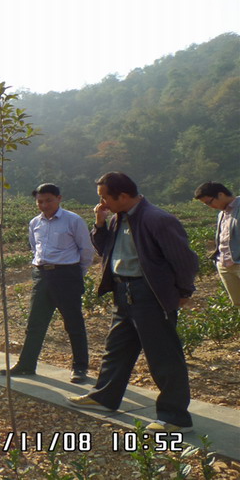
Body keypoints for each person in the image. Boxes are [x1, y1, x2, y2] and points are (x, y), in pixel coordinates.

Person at [67, 172, 198, 434]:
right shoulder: (118, 218)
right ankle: (104, 397)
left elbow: (185, 260)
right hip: (123, 291)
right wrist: (100, 224)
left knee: (163, 356)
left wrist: (184, 291)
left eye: (105, 197)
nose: (101, 202)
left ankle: (175, 418)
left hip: (149, 294)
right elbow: (106, 251)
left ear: (123, 196)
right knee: (116, 350)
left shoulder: (157, 219)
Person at [0, 183, 94, 383]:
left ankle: (80, 368)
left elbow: (86, 251)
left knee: (73, 323)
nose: (44, 205)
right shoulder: (35, 223)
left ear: (59, 199)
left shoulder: (73, 220)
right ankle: (26, 365)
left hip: (66, 275)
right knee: (35, 322)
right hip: (42, 275)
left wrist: (76, 274)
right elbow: (35, 248)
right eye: (40, 201)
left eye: (48, 200)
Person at [194, 182, 240, 306]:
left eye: (209, 202)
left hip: (238, 262)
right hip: (225, 265)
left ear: (221, 194)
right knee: (238, 303)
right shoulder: (222, 214)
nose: (210, 206)